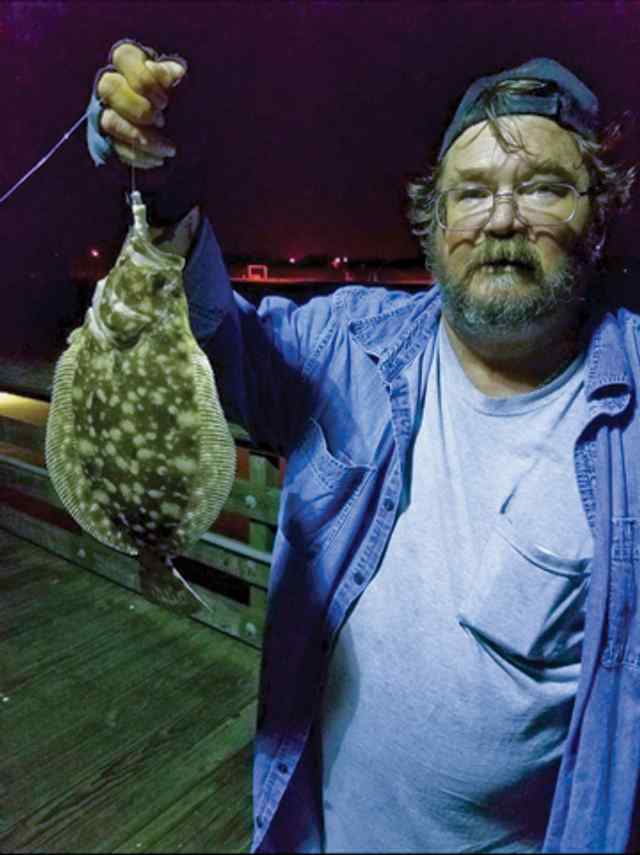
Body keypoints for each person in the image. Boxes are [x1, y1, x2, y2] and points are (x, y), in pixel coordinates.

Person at [86, 42, 638, 853]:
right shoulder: (350, 344)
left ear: (600, 213)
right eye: (472, 193)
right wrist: (166, 185)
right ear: (436, 222)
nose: (503, 218)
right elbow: (215, 340)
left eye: (546, 187)